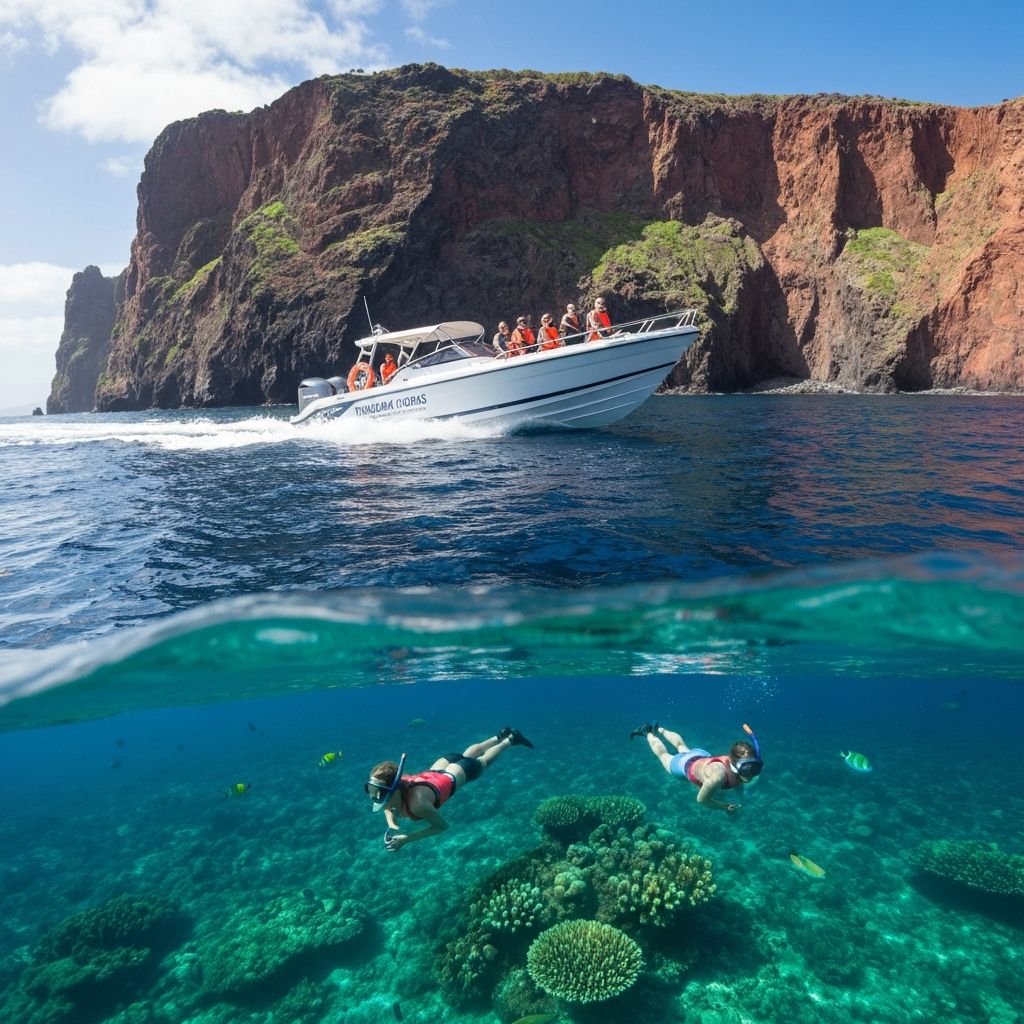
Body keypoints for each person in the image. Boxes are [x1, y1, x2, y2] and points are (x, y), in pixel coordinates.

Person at [365, 726, 534, 851]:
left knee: (484, 761)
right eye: (373, 791)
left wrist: (406, 839)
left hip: (461, 772)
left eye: (378, 792)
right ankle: (498, 736)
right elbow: (388, 806)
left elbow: (441, 826)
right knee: (466, 754)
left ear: (394, 789)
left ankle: (509, 740)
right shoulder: (398, 785)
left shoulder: (417, 805)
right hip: (443, 763)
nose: (375, 797)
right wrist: (391, 823)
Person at [630, 722, 763, 814]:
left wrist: (742, 796)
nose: (751, 774)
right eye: (746, 769)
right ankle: (647, 732)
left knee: (682, 746)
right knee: (663, 755)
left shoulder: (740, 766)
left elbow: (739, 780)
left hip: (701, 755)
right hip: (684, 765)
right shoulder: (717, 777)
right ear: (734, 764)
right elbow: (702, 800)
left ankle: (661, 730)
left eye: (755, 767)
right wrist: (725, 807)